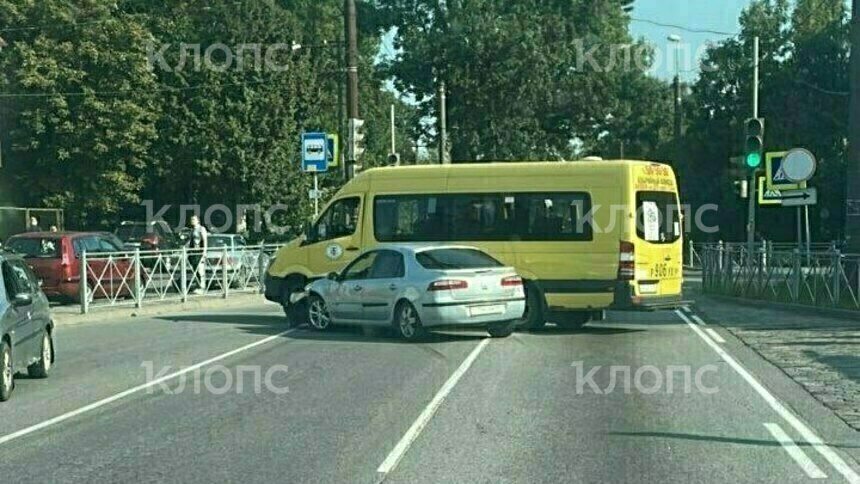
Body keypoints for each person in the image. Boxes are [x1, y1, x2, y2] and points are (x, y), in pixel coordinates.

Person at [188, 215, 208, 295]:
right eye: (191, 219)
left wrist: (204, 251)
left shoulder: (201, 229)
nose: (192, 221)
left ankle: (202, 287)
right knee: (195, 270)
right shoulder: (192, 230)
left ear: (198, 221)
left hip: (199, 252)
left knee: (200, 270)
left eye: (193, 219)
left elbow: (205, 240)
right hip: (193, 253)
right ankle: (198, 285)